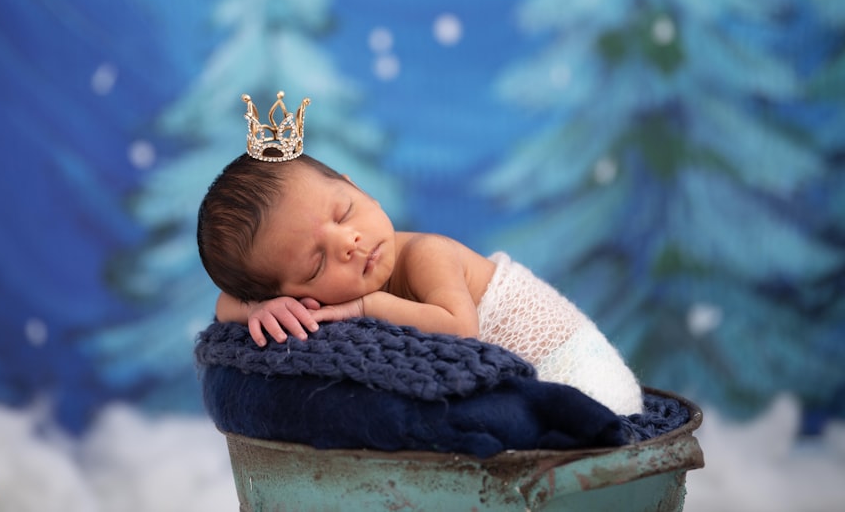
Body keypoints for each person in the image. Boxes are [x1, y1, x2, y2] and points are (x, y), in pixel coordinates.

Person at [196, 94, 644, 415]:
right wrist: (260, 305)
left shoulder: (427, 254)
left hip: (579, 368)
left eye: (345, 211)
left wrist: (367, 306)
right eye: (316, 264)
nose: (348, 243)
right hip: (534, 379)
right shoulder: (304, 291)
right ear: (290, 289)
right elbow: (225, 304)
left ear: (357, 186)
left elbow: (461, 329)